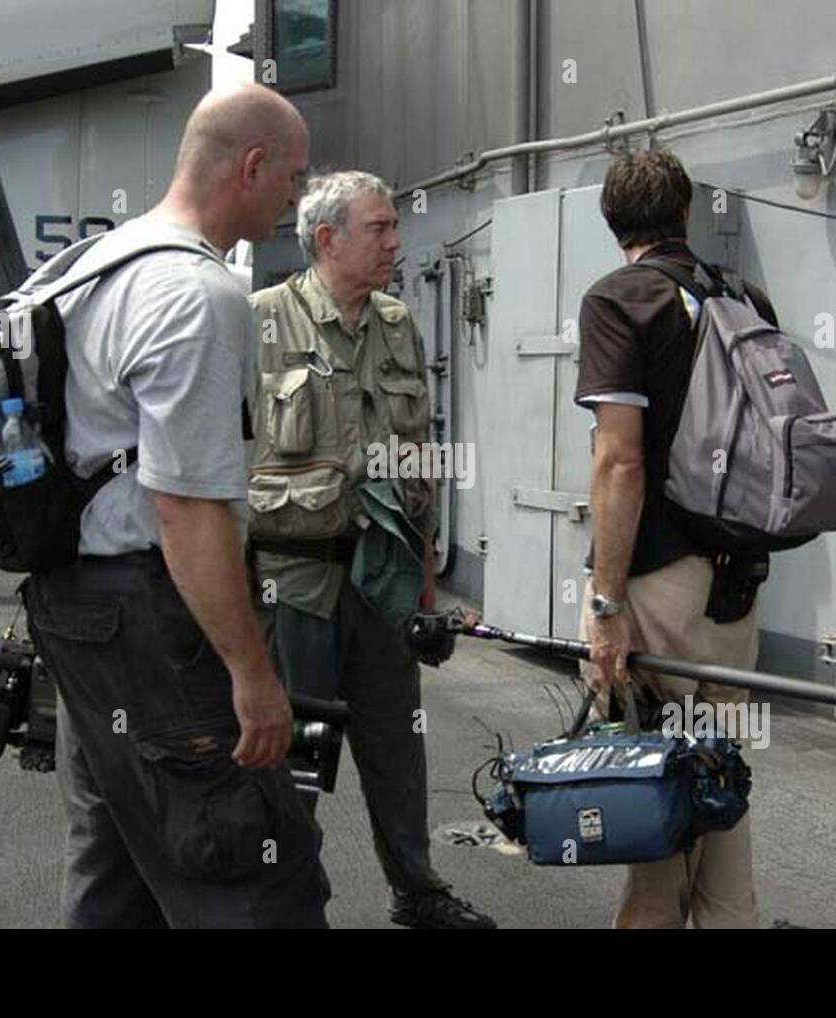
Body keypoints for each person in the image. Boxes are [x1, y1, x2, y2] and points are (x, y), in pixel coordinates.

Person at [23, 83, 330, 928]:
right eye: (294, 178)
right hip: (153, 621)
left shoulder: (95, 263)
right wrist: (251, 675)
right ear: (253, 165)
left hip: (77, 610)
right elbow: (185, 511)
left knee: (114, 858)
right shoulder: (199, 294)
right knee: (251, 869)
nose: (296, 198)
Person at [247, 170, 496, 930]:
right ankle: (291, 900)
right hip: (297, 585)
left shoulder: (397, 323)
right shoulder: (259, 320)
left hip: (382, 584)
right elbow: (218, 470)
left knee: (398, 748)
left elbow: (416, 461)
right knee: (300, 759)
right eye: (380, 228)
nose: (397, 241)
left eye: (394, 226)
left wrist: (427, 592)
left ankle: (417, 891)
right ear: (328, 240)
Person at [574, 149, 779, 930]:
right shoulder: (742, 294)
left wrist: (606, 599)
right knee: (719, 773)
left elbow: (620, 458)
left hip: (659, 581)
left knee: (650, 782)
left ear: (611, 221)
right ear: (685, 213)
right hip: (736, 583)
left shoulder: (620, 299)